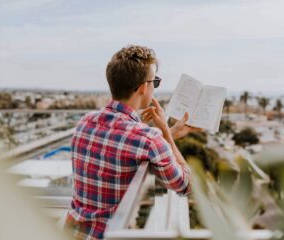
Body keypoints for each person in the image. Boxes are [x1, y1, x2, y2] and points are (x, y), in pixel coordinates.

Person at [64, 45, 200, 239]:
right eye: (155, 82)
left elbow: (119, 144)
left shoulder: (84, 123)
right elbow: (187, 185)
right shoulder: (148, 138)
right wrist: (166, 135)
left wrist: (171, 132)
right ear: (144, 87)